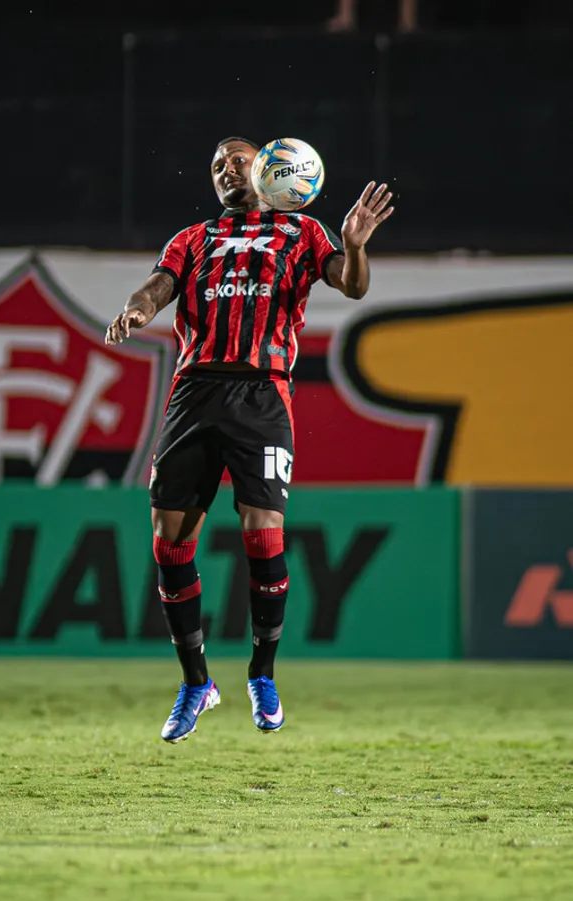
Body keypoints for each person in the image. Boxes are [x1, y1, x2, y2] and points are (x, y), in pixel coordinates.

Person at [105, 137, 393, 743]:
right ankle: (196, 683)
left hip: (263, 394)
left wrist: (356, 246)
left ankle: (262, 673)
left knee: (263, 530)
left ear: (266, 166)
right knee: (168, 539)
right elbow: (157, 287)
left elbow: (353, 285)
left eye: (235, 159)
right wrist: (136, 310)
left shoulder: (304, 233)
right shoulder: (192, 240)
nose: (225, 170)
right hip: (194, 393)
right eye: (215, 166)